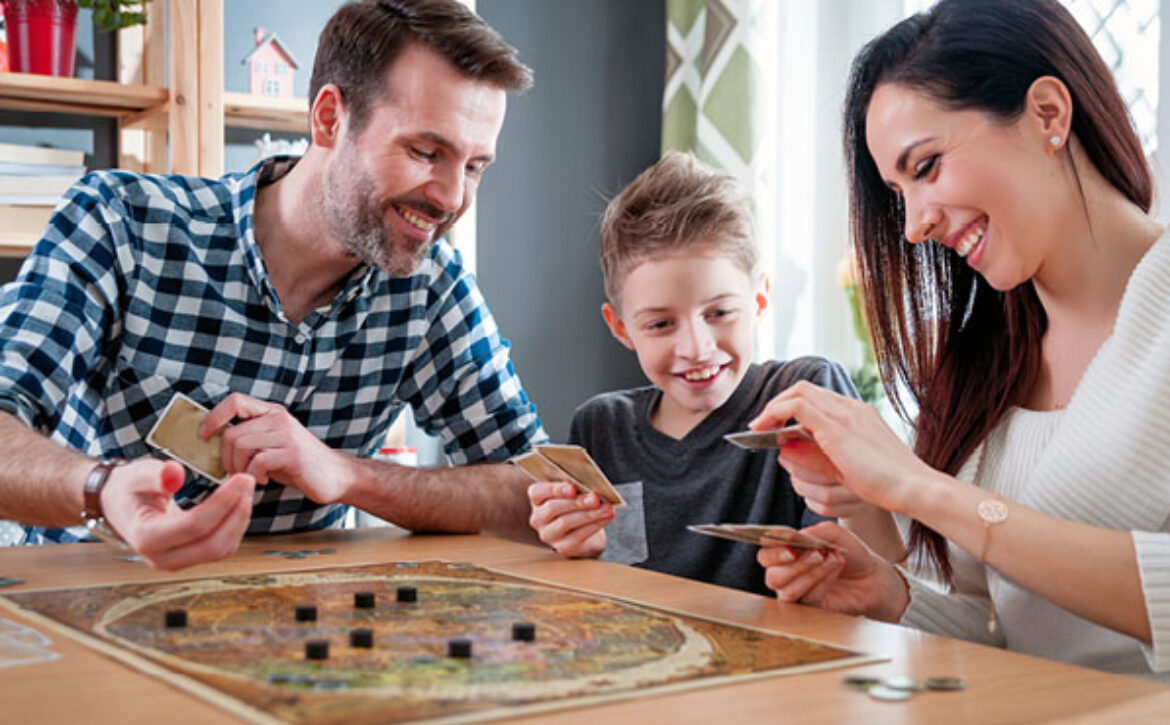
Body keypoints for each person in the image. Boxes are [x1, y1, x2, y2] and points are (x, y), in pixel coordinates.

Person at [0, 0, 547, 570]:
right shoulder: (122, 224)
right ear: (330, 119)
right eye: (425, 152)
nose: (453, 198)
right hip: (91, 604)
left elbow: (534, 489)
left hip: (301, 633)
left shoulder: (432, 287)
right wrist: (102, 489)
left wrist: (346, 474)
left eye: (476, 165)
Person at [752, 0, 1170, 681]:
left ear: (1047, 115)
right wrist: (892, 593)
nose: (913, 224)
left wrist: (920, 488)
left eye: (926, 167)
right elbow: (997, 628)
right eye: (896, 193)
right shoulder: (982, 357)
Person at [526, 152, 901, 596]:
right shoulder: (601, 426)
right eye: (661, 324)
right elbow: (603, 580)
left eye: (720, 312)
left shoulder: (807, 396)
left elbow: (871, 573)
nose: (697, 348)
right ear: (622, 328)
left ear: (759, 299)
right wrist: (578, 549)